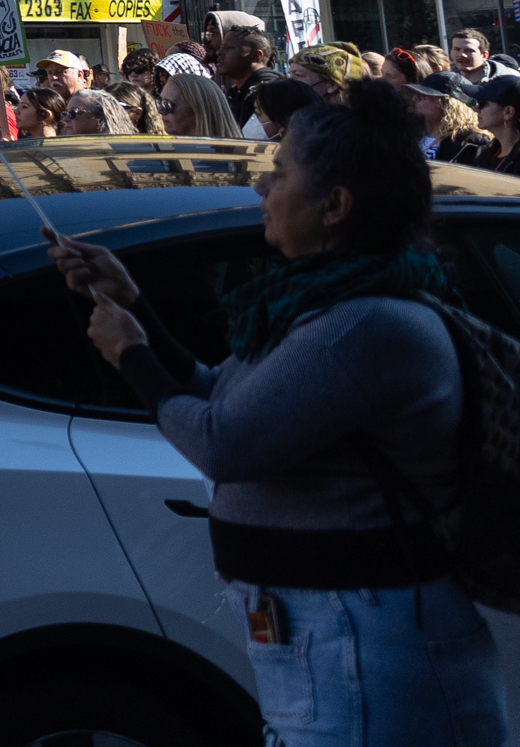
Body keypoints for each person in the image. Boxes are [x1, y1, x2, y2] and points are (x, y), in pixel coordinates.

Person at [51, 81, 511, 746]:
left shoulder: (366, 325)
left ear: (335, 205)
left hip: (366, 640)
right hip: (337, 635)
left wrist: (132, 357)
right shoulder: (329, 308)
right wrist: (136, 308)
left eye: (280, 173)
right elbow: (219, 392)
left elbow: (226, 442)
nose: (263, 189)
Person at [158, 60, 243, 141]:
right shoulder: (167, 152)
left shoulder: (229, 154)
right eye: (160, 102)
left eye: (167, 105)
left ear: (198, 111)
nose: (160, 110)